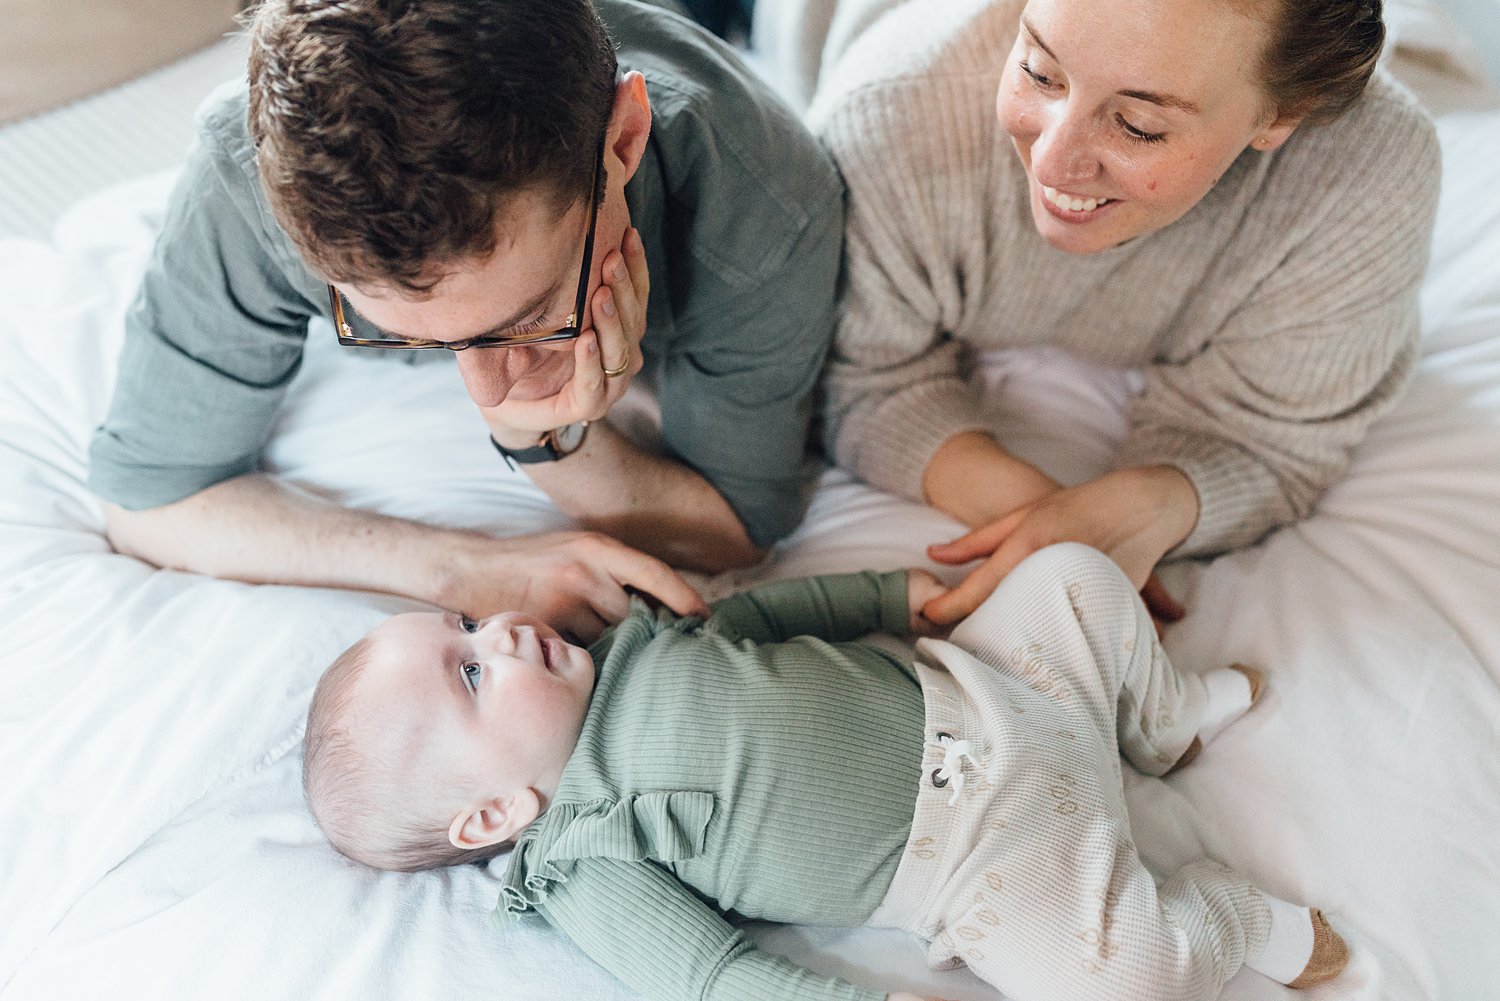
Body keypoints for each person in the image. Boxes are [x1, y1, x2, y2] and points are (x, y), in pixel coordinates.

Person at [87, 0, 845, 639]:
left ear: (623, 142)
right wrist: (469, 569)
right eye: (404, 328)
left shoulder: (764, 202)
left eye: (527, 315)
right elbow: (147, 499)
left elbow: (734, 528)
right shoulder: (248, 177)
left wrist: (546, 441)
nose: (482, 386)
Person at [302, 542, 1349, 1001]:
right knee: (1128, 977)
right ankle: (1227, 918)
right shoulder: (585, 858)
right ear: (494, 812)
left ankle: (1156, 719)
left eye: (466, 624)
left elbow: (763, 615)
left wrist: (892, 595)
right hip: (984, 861)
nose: (504, 629)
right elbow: (713, 977)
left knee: (1075, 576)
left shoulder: (635, 642)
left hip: (988, 679)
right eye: (473, 674)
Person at [799, 0, 1440, 625]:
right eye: (1040, 73)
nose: (1051, 162)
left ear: (1284, 114)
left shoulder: (1369, 180)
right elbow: (856, 375)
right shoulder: (887, 117)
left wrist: (1156, 501)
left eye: (1138, 125)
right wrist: (1042, 515)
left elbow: (1276, 438)